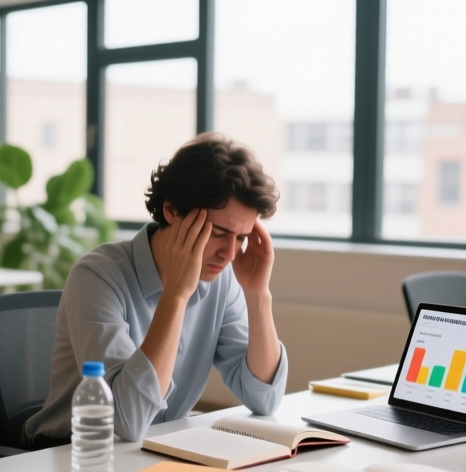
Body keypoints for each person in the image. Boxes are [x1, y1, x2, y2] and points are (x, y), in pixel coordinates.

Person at [25, 131, 288, 446]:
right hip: (73, 454)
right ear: (172, 211)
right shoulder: (97, 277)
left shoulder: (221, 279)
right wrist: (176, 295)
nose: (231, 254)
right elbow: (127, 420)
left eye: (242, 238)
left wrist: (258, 295)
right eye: (219, 232)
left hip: (154, 452)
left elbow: (264, 399)